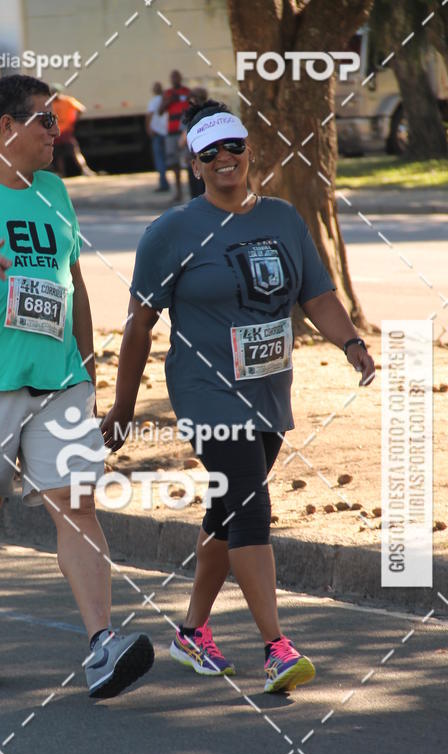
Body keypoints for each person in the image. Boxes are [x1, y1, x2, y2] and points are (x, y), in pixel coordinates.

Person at [101, 100, 375, 694]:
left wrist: (350, 342)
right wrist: (123, 407)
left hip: (270, 390)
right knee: (251, 506)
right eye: (211, 153)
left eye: (234, 147)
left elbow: (317, 294)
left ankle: (192, 632)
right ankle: (276, 648)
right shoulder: (170, 233)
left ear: (250, 152)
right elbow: (137, 325)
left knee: (226, 513)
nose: (225, 159)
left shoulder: (282, 218)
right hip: (206, 393)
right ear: (194, 164)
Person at [0, 75, 153, 698]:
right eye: (46, 121)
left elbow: (75, 282)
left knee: (76, 501)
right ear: (7, 126)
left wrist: (89, 370)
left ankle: (102, 644)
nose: (56, 133)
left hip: (58, 378)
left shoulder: (54, 192)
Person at [159, 70, 190, 203]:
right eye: (173, 77)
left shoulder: (187, 92)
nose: (175, 79)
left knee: (189, 160)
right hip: (171, 133)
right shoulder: (168, 94)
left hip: (184, 131)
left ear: (181, 78)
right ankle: (178, 192)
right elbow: (160, 111)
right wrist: (169, 101)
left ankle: (194, 190)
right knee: (174, 163)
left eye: (177, 76)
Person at [51, 86, 94, 177]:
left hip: (59, 132)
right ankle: (83, 170)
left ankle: (63, 173)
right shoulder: (68, 101)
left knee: (63, 154)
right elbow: (81, 109)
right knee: (70, 153)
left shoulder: (50, 104)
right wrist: (73, 120)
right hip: (62, 132)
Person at [146, 82, 169, 192]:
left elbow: (149, 115)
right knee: (168, 159)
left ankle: (163, 183)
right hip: (166, 131)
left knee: (159, 159)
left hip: (157, 132)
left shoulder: (154, 101)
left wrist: (148, 128)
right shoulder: (165, 100)